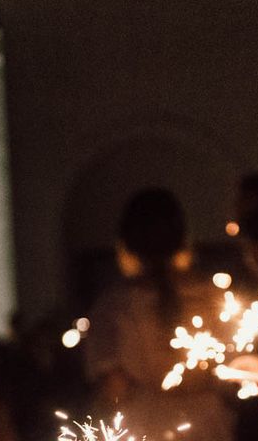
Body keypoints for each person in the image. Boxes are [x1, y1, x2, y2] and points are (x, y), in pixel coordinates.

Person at [86, 188, 233, 441]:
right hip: (208, 423)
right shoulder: (214, 296)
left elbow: (113, 387)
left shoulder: (114, 305)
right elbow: (233, 370)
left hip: (145, 425)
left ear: (126, 243)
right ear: (183, 238)